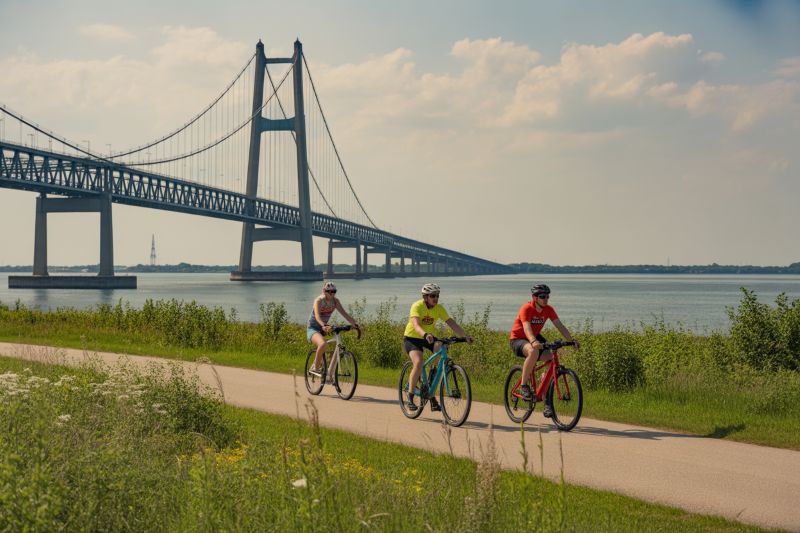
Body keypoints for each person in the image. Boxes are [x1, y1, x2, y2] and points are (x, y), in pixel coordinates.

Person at [509, 283, 579, 418]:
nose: (546, 299)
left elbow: (560, 326)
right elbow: (527, 328)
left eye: (547, 296)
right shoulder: (526, 308)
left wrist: (571, 340)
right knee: (533, 351)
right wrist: (533, 341)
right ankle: (524, 386)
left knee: (553, 359)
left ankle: (547, 401)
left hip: (534, 338)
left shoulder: (548, 309)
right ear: (534, 298)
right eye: (542, 296)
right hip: (518, 339)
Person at [402, 283, 473, 412]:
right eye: (432, 296)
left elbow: (451, 323)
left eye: (437, 296)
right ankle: (410, 396)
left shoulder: (439, 308)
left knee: (439, 345)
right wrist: (425, 334)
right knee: (418, 362)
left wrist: (465, 336)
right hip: (412, 338)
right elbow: (416, 325)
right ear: (425, 297)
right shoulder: (417, 306)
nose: (435, 298)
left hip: (428, 337)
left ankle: (430, 381)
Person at [308, 281, 359, 377]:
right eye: (329, 291)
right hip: (313, 328)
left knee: (336, 348)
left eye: (334, 291)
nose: (332, 294)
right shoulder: (318, 300)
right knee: (323, 344)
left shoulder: (335, 301)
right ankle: (315, 368)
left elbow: (345, 314)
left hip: (325, 328)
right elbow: (317, 316)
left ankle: (330, 374)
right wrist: (323, 325)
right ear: (324, 291)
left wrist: (355, 325)